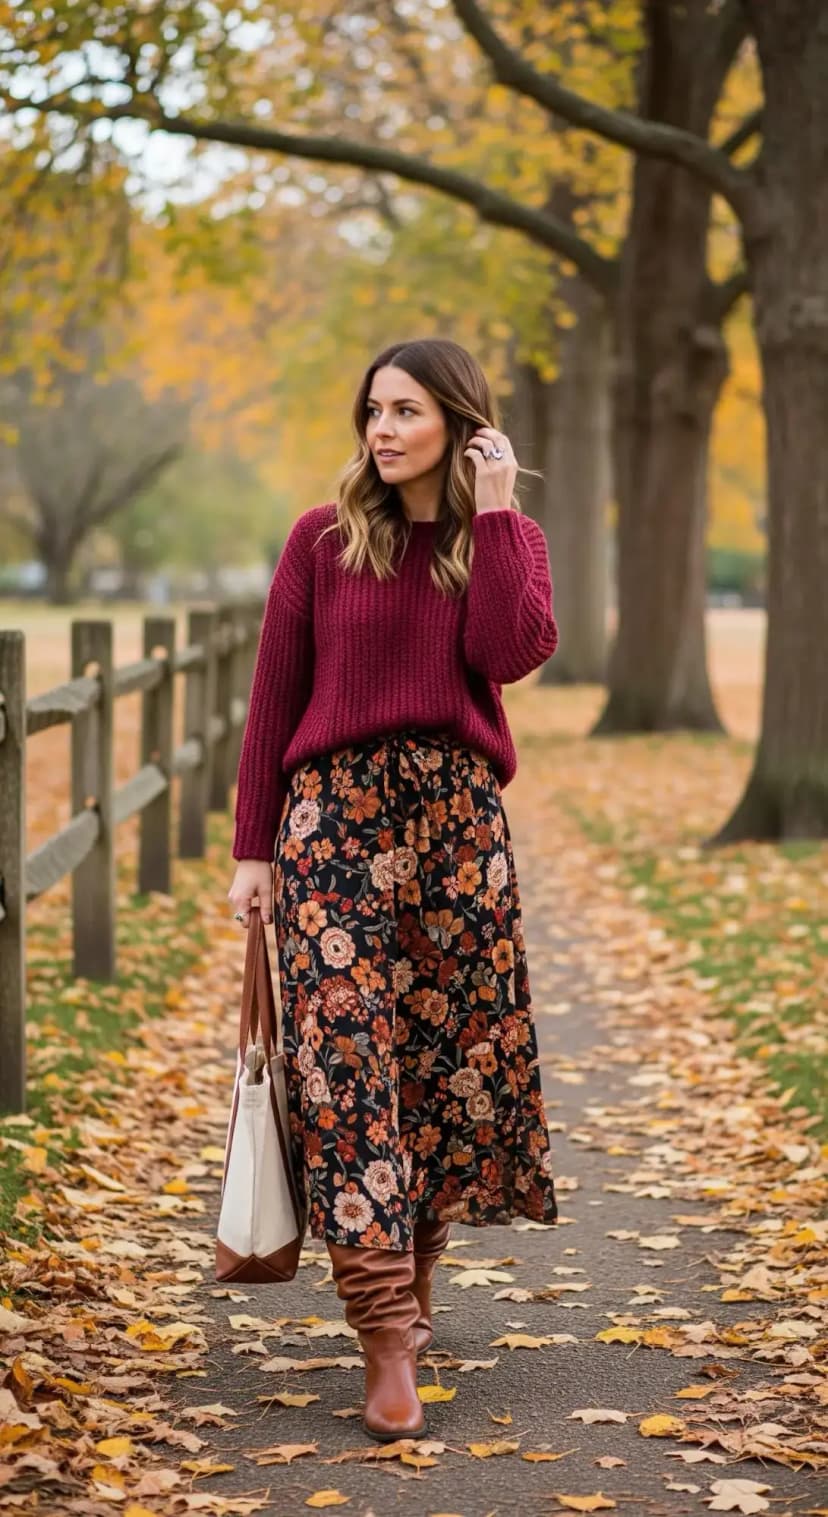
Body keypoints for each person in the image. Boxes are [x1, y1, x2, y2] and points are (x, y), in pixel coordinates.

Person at [227, 337, 559, 1441]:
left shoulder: (500, 541)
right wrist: (252, 851)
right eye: (373, 409)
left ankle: (413, 1291)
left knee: (441, 1063)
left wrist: (499, 508)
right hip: (334, 822)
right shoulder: (321, 541)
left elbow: (509, 654)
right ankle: (380, 1330)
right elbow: (275, 701)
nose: (382, 429)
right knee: (345, 1060)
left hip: (458, 826)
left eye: (407, 410)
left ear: (459, 422)